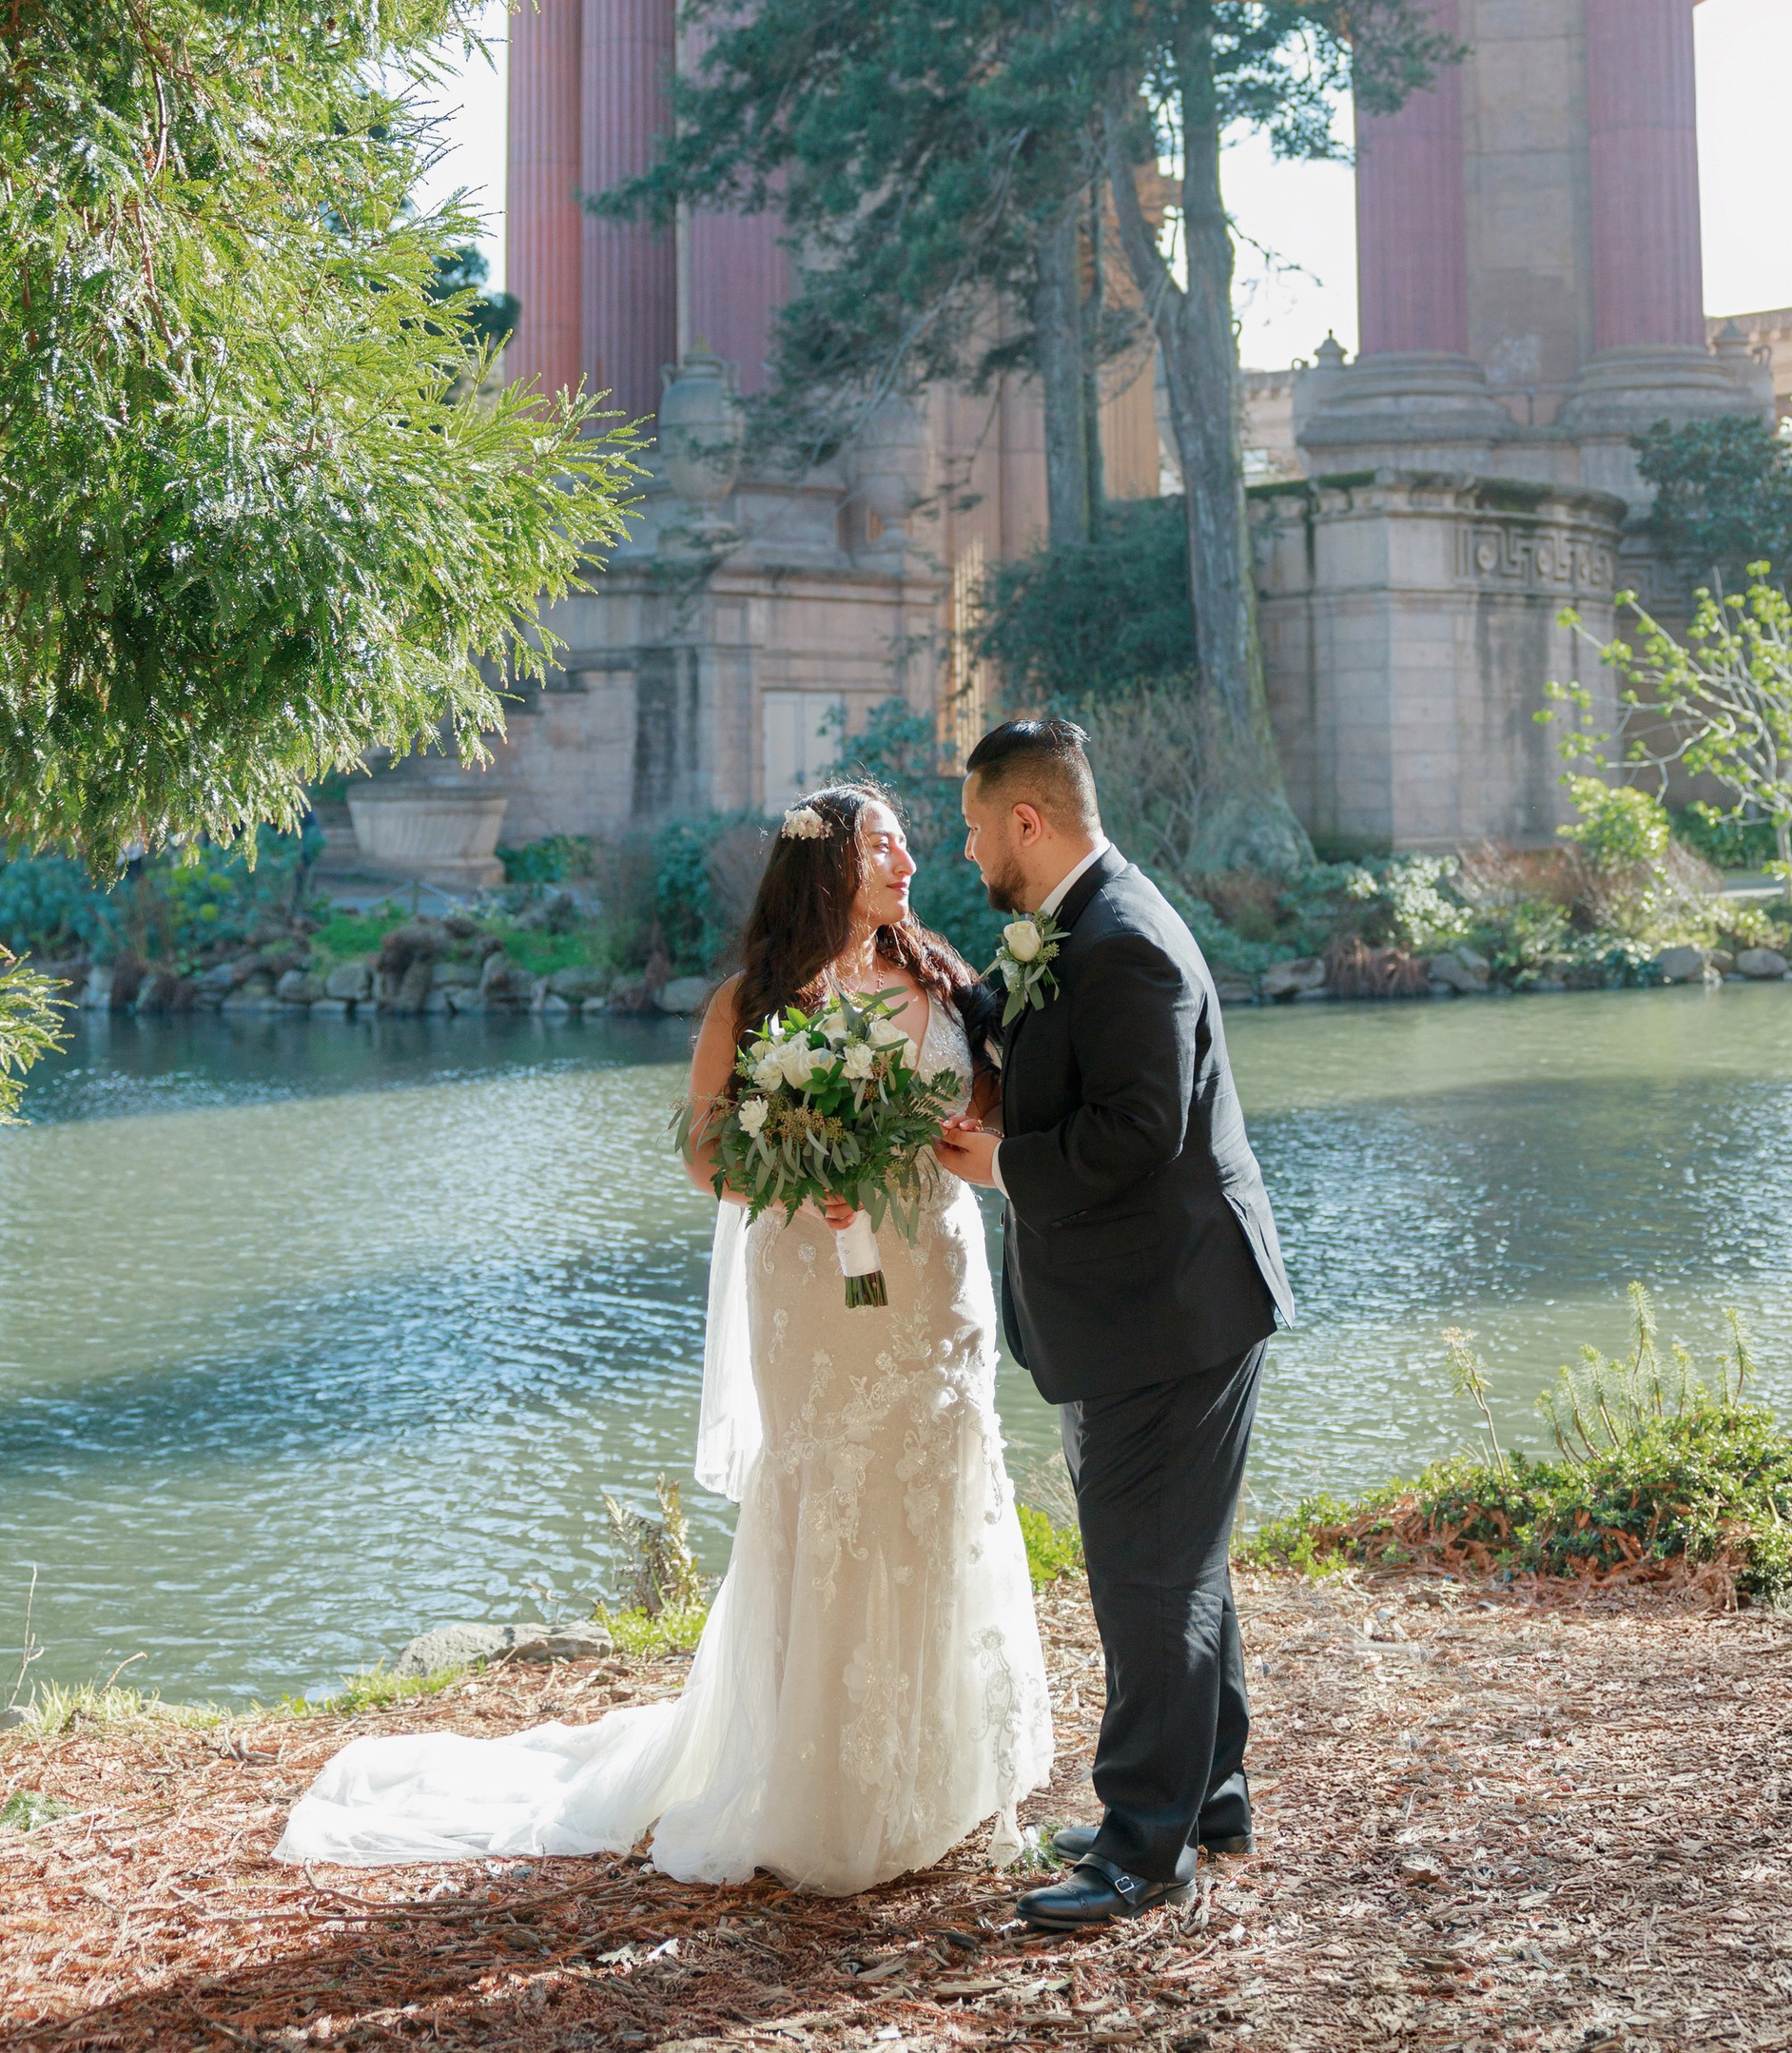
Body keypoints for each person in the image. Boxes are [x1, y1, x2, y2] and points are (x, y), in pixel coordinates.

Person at [277, 791, 1051, 1887]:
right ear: (828, 865)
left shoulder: (946, 979)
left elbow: (998, 1113)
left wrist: (970, 1140)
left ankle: (943, 1765)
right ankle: (822, 1782)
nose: (907, 860)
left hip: (935, 1281)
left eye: (906, 844)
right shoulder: (755, 1002)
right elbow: (706, 1157)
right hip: (810, 1287)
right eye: (883, 844)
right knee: (830, 1491)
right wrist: (803, 1173)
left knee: (939, 1483)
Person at [936, 714, 1293, 1931]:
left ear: (1026, 820)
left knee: (1149, 1580)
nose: (968, 848)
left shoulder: (1126, 941)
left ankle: (1144, 1850)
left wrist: (1001, 1165)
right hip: (1150, 1305)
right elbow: (1036, 1037)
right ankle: (1209, 1801)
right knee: (1177, 1567)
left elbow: (1139, 1132)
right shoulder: (1081, 924)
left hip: (1173, 1312)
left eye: (975, 826)